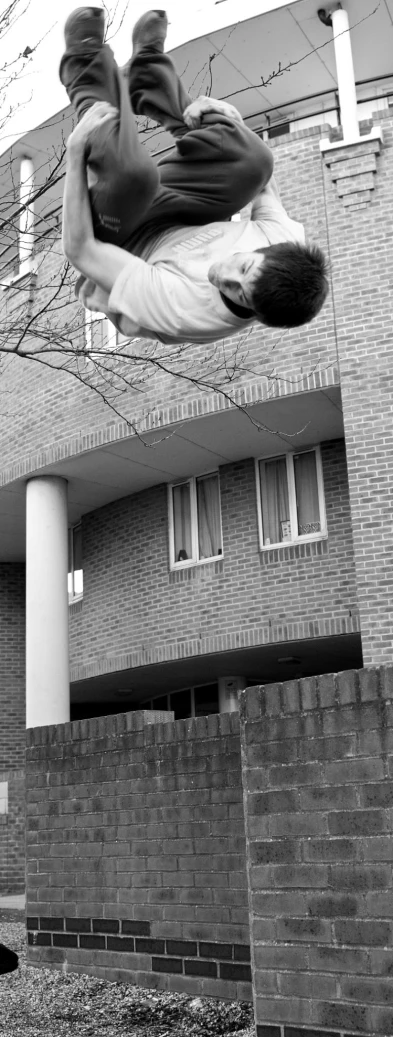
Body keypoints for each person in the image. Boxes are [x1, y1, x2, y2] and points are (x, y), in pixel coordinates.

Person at [61, 8, 329, 346]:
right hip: (181, 215)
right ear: (272, 249)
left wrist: (75, 151)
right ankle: (149, 79)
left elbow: (80, 248)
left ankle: (84, 64)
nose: (224, 277)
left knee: (134, 176)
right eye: (244, 268)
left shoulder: (184, 309)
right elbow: (262, 181)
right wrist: (232, 121)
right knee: (257, 162)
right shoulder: (284, 240)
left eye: (239, 296)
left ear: (255, 312)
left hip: (117, 245)